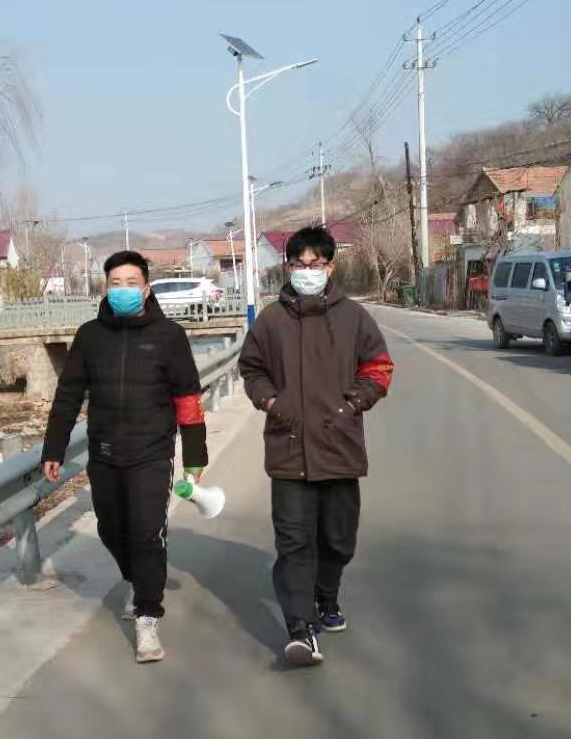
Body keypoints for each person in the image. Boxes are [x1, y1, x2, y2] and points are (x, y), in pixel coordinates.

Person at [41, 250, 207, 663]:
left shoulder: (169, 336)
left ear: (146, 289)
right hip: (104, 452)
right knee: (111, 529)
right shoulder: (90, 336)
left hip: (152, 452)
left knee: (147, 533)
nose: (123, 290)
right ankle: (139, 579)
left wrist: (195, 455)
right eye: (116, 283)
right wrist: (54, 448)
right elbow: (68, 394)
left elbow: (188, 398)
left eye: (132, 283)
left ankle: (148, 615)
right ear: (105, 288)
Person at [238, 225, 393, 666]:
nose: (308, 271)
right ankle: (301, 630)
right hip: (288, 449)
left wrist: (353, 403)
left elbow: (379, 368)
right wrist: (272, 402)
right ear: (288, 267)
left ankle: (327, 596)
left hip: (339, 447)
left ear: (331, 266)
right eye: (299, 264)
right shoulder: (271, 321)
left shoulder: (354, 317)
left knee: (338, 541)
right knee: (294, 545)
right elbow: (251, 369)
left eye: (316, 264)